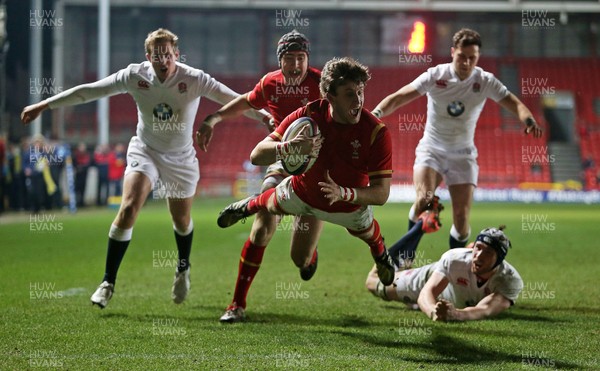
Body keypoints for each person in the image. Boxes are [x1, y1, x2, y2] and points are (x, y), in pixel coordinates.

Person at [20, 28, 267, 309]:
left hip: (181, 158)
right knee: (127, 208)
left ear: (176, 54)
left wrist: (264, 117)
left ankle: (182, 268)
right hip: (145, 150)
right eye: (157, 54)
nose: (163, 59)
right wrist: (44, 105)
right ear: (148, 56)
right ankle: (107, 282)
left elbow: (232, 99)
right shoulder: (134, 75)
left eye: (168, 53)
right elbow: (90, 92)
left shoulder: (194, 79)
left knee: (181, 221)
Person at [217, 57, 397, 322]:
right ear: (329, 96)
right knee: (286, 239)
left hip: (345, 204)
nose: (358, 100)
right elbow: (257, 155)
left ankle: (381, 253)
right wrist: (288, 148)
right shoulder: (309, 115)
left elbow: (381, 194)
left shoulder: (375, 132)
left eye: (360, 92)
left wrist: (344, 193)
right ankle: (237, 300)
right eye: (349, 94)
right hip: (302, 192)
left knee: (369, 235)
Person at [372, 28, 543, 250]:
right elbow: (398, 97)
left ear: (478, 57)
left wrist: (529, 121)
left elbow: (515, 104)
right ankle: (406, 255)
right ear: (453, 52)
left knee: (462, 221)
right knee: (424, 200)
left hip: (463, 155)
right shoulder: (436, 75)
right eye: (462, 56)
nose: (466, 62)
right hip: (431, 149)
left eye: (472, 58)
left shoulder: (485, 81)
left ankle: (454, 264)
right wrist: (375, 114)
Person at [197, 30, 322, 323]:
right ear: (280, 61)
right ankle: (237, 304)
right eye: (289, 59)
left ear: (308, 59)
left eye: (300, 58)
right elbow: (246, 101)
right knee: (262, 226)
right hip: (280, 163)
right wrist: (212, 118)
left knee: (299, 259)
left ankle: (310, 256)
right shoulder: (270, 83)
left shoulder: (322, 83)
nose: (295, 65)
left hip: (316, 170)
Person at [366, 224, 523, 321]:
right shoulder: (454, 259)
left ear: (499, 259)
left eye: (488, 253)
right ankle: (385, 249)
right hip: (429, 277)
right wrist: (434, 312)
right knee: (373, 284)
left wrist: (456, 314)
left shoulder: (509, 280)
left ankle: (403, 265)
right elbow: (426, 294)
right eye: (478, 248)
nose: (479, 256)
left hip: (450, 298)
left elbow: (485, 310)